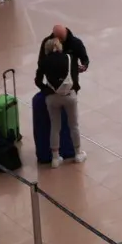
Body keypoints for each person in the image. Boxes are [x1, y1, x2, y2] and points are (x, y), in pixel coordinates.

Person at [33, 36, 85, 167]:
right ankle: (78, 153)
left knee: (55, 127)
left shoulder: (43, 62)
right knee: (74, 125)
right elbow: (74, 76)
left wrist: (47, 90)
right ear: (58, 47)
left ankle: (55, 158)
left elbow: (38, 81)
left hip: (52, 97)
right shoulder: (69, 58)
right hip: (68, 95)